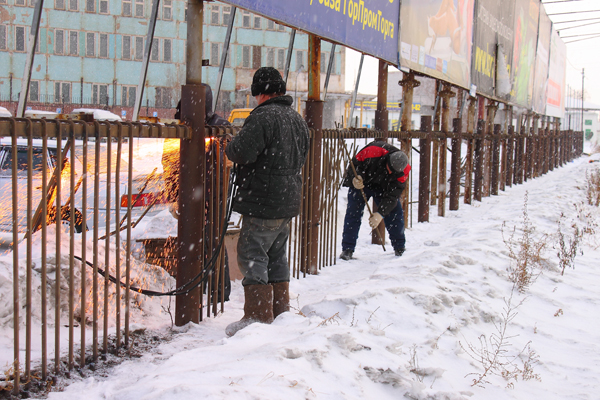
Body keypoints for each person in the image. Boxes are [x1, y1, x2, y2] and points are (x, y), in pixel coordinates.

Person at [224, 67, 310, 337]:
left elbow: (242, 152)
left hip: (264, 200)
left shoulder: (263, 117)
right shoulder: (296, 119)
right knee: (275, 255)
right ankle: (280, 311)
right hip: (286, 199)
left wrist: (229, 144)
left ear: (260, 93)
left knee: (251, 253)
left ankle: (257, 317)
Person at [162, 83, 232, 301]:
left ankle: (219, 292)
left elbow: (227, 162)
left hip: (214, 195)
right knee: (192, 242)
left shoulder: (221, 128)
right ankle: (196, 289)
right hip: (189, 197)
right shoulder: (181, 126)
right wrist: (174, 196)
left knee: (213, 243)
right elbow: (170, 163)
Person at [340, 140, 411, 261]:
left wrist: (380, 213)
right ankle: (347, 249)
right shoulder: (373, 151)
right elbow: (354, 165)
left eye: (393, 172)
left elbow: (393, 196)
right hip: (363, 183)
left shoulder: (404, 170)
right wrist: (355, 178)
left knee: (395, 213)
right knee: (353, 213)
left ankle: (399, 247)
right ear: (387, 160)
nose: (390, 172)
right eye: (390, 169)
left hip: (384, 187)